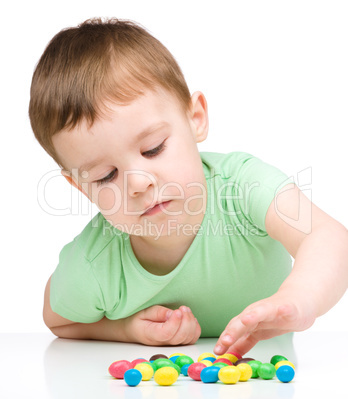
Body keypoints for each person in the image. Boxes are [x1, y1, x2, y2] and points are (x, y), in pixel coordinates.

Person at [29, 18, 348, 357]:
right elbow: (57, 320)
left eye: (153, 149)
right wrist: (126, 329)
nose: (138, 183)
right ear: (80, 187)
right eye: (106, 176)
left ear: (195, 118)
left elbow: (329, 237)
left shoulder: (243, 186)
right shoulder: (97, 262)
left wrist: (297, 299)